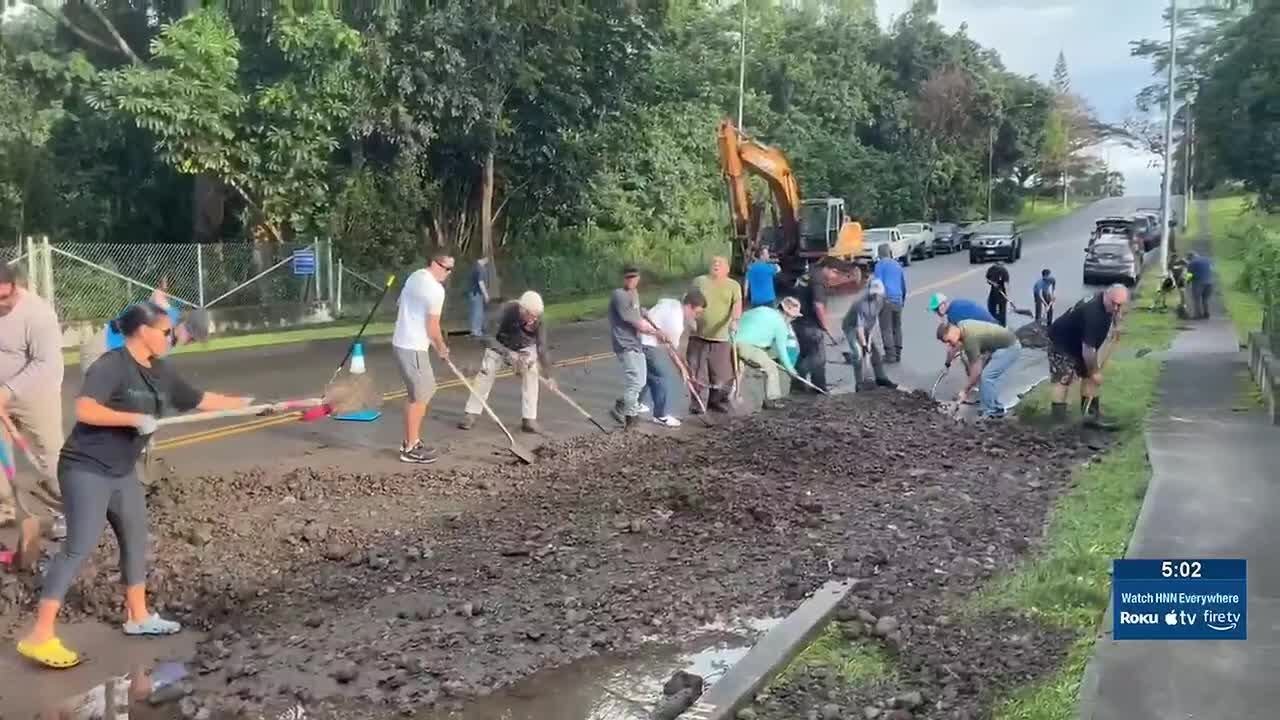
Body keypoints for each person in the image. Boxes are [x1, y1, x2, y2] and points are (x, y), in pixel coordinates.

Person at [16, 301, 252, 669]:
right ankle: (40, 635)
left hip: (121, 471)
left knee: (135, 538)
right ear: (143, 331)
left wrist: (247, 404)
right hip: (86, 468)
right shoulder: (112, 365)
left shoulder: (160, 371)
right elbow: (85, 409)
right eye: (163, 331)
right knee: (79, 547)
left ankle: (138, 616)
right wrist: (133, 419)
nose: (169, 337)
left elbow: (200, 399)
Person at [0, 264, 65, 525]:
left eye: (5, 297)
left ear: (15, 286)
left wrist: (7, 391)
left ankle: (68, 503)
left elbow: (45, 363)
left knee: (49, 452)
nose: (2, 304)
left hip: (37, 392)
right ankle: (4, 509)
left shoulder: (38, 314)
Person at [457, 291, 552, 435]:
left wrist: (548, 375)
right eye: (531, 315)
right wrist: (508, 354)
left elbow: (541, 347)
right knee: (485, 374)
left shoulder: (538, 318)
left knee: (532, 375)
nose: (534, 319)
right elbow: (487, 337)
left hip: (525, 348)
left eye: (536, 316)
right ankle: (471, 413)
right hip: (500, 344)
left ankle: (529, 419)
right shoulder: (505, 311)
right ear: (522, 309)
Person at [392, 253, 453, 464]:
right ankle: (410, 447)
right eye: (445, 268)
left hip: (403, 343)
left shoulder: (415, 276)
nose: (448, 273)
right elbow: (433, 328)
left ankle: (410, 441)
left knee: (418, 393)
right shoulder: (436, 291)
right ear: (434, 263)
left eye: (451, 269)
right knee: (422, 394)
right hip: (413, 347)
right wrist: (442, 348)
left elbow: (400, 303)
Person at [1047, 284, 1130, 428]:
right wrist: (1095, 372)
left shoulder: (1106, 299)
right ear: (1107, 297)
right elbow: (1088, 350)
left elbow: (1116, 312)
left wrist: (1117, 324)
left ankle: (1091, 417)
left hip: (1080, 342)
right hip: (1062, 342)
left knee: (1087, 376)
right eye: (1114, 304)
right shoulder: (1093, 314)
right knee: (1064, 378)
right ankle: (1058, 421)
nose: (1116, 308)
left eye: (1120, 305)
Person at [639, 290, 708, 427]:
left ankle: (634, 403)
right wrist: (682, 370)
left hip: (640, 338)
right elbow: (673, 352)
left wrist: (684, 368)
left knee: (650, 375)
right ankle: (660, 415)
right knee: (661, 377)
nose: (697, 316)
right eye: (697, 312)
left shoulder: (672, 303)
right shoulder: (676, 323)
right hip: (646, 342)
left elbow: (661, 300)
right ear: (689, 306)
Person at [688, 257, 742, 413]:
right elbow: (689, 301)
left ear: (728, 269)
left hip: (721, 337)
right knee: (696, 371)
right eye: (713, 262)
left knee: (722, 374)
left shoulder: (733, 286)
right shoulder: (699, 281)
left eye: (720, 263)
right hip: (698, 335)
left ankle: (716, 401)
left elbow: (737, 305)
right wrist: (689, 319)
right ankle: (696, 403)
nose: (716, 265)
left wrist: (735, 320)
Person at [936, 319, 1021, 418]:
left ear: (952, 331)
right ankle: (995, 406)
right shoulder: (961, 326)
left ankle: (992, 412)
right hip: (997, 346)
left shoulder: (970, 340)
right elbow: (954, 348)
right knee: (984, 376)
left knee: (986, 377)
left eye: (948, 341)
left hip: (1009, 347)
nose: (948, 344)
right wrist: (947, 363)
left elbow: (976, 370)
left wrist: (965, 391)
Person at [734, 297, 803, 410]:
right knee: (771, 368)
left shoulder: (763, 309)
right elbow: (782, 352)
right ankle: (773, 400)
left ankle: (734, 395)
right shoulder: (781, 325)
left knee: (739, 371)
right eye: (794, 317)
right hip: (748, 346)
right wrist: (791, 370)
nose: (793, 320)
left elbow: (743, 316)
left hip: (732, 341)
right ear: (787, 314)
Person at [609, 267, 656, 429]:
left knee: (641, 381)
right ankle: (631, 418)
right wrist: (655, 332)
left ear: (638, 279)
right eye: (628, 278)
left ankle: (621, 405)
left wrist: (645, 313)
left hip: (636, 343)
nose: (631, 281)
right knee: (635, 382)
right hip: (624, 343)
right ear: (623, 279)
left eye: (634, 278)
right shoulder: (619, 295)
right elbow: (632, 320)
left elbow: (636, 311)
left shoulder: (634, 294)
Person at [843, 278, 897, 391]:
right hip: (851, 327)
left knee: (875, 353)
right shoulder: (860, 303)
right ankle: (859, 384)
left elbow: (874, 318)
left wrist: (870, 335)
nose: (876, 296)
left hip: (867, 326)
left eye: (878, 294)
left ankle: (881, 378)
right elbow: (860, 327)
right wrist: (863, 344)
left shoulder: (882, 299)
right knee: (858, 354)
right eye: (874, 293)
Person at [792, 262, 837, 392]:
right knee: (819, 358)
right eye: (834, 272)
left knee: (805, 354)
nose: (834, 277)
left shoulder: (807, 275)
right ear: (826, 268)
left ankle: (798, 385)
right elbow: (818, 305)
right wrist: (825, 326)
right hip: (810, 324)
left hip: (798, 321)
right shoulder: (818, 281)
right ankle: (818, 387)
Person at [872, 244, 906, 363]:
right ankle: (898, 353)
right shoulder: (897, 265)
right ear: (889, 252)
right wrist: (902, 300)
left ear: (879, 254)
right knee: (897, 327)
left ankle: (890, 355)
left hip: (886, 300)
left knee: (886, 328)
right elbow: (903, 284)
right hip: (898, 299)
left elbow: (878, 285)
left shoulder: (879, 265)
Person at [466, 257, 491, 338]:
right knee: (478, 312)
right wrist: (486, 294)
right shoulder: (480, 268)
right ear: (485, 259)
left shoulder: (474, 266)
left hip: (472, 293)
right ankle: (477, 332)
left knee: (473, 312)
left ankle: (474, 330)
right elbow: (481, 282)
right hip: (477, 293)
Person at [1186, 251, 1213, 319]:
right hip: (1209, 282)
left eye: (1188, 259)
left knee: (1196, 299)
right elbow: (1211, 269)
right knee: (1205, 299)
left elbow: (1189, 275)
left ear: (1190, 257)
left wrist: (1187, 283)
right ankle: (1206, 313)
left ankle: (1198, 315)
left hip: (1198, 283)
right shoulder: (1207, 260)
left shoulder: (1192, 263)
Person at [986, 262, 1010, 326]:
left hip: (1001, 293)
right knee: (993, 309)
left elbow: (1005, 284)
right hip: (995, 293)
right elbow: (988, 280)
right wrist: (994, 283)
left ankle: (1001, 324)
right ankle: (998, 324)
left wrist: (1007, 296)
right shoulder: (994, 270)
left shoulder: (1003, 271)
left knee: (999, 311)